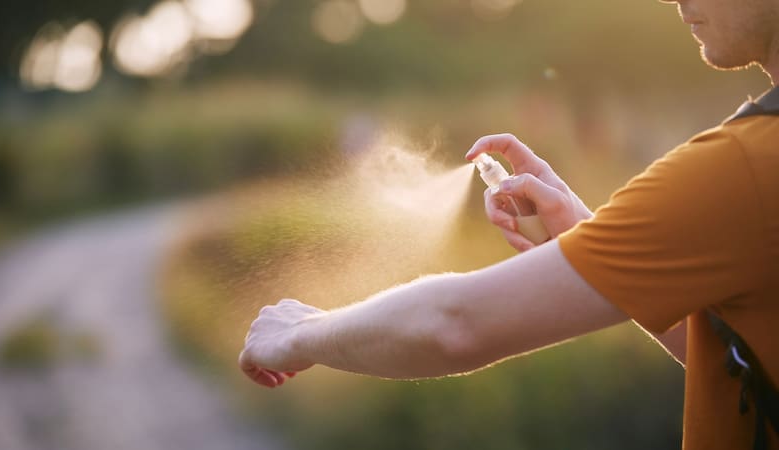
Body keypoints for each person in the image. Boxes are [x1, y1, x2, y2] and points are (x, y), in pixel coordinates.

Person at [239, 0, 779, 448]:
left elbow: (455, 326)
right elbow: (738, 357)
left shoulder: (745, 167)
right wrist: (584, 235)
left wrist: (300, 333)